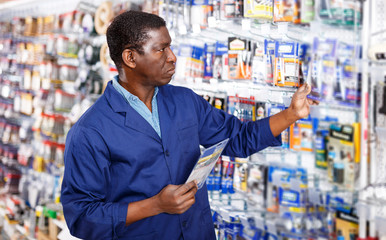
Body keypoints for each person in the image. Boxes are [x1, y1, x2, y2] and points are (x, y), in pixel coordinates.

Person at [61, 10, 317, 240]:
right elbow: (82, 217)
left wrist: (292, 113)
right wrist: (156, 205)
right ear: (130, 57)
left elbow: (238, 138)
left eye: (170, 48)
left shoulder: (185, 101)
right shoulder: (90, 132)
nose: (172, 57)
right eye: (161, 49)